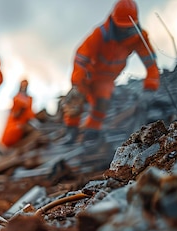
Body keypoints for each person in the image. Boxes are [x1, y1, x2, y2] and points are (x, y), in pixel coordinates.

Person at [62, 0, 159, 145]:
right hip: (88, 75)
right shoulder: (100, 34)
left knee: (103, 101)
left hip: (106, 80)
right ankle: (71, 130)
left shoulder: (139, 38)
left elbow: (151, 64)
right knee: (76, 99)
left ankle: (91, 132)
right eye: (121, 28)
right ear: (114, 21)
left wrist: (150, 88)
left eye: (127, 28)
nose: (124, 32)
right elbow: (81, 57)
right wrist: (77, 82)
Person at [1, 79, 36, 148]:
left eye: (25, 85)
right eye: (23, 84)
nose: (24, 86)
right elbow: (14, 114)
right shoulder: (16, 98)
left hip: (26, 120)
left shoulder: (30, 98)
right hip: (15, 122)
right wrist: (21, 110)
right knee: (15, 130)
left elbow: (30, 112)